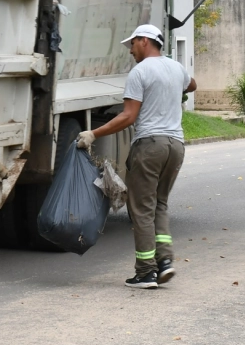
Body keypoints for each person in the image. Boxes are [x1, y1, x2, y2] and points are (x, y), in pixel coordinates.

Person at [77, 24, 195, 289]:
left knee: (141, 209)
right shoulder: (176, 68)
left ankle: (145, 272)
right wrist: (170, 92)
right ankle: (165, 262)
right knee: (160, 204)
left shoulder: (140, 72)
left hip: (150, 145)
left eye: (132, 44)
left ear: (144, 41)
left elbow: (128, 116)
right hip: (175, 145)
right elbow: (193, 84)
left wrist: (93, 134)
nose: (130, 50)